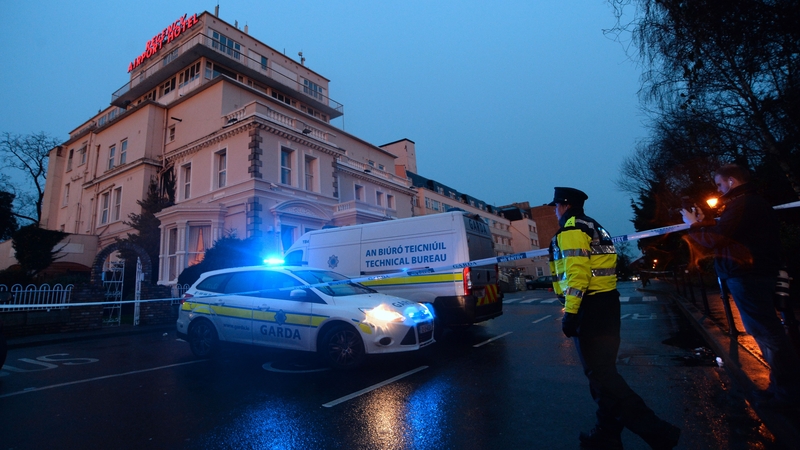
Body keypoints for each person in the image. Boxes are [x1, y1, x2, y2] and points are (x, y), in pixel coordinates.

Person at [548, 187, 680, 450]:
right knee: (603, 374)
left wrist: (571, 313)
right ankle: (607, 433)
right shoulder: (595, 226)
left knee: (603, 377)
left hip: (591, 308)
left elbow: (577, 276)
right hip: (606, 304)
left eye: (555, 206)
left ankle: (658, 432)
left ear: (563, 206)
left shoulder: (573, 229)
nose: (554, 211)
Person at [681, 164, 800, 410]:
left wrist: (693, 225)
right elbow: (728, 233)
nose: (718, 189)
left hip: (748, 275)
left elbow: (717, 240)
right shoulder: (748, 203)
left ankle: (788, 394)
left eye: (719, 184)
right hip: (754, 272)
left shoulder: (741, 205)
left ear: (732, 181)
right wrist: (705, 223)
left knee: (768, 334)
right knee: (768, 333)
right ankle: (779, 388)